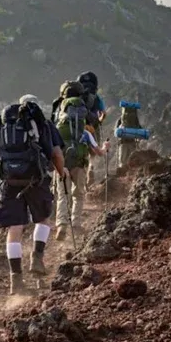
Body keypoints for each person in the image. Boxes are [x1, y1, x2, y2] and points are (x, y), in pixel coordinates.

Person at [0, 95, 66, 295]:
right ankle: (37, 258)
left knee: (14, 229)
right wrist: (61, 172)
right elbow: (56, 154)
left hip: (9, 182)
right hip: (36, 179)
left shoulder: (2, 124)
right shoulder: (43, 124)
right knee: (43, 220)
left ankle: (16, 280)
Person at [53, 81, 109, 241]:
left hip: (62, 164)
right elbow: (98, 152)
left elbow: (52, 148)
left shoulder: (58, 128)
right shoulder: (85, 131)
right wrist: (105, 147)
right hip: (80, 163)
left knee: (63, 195)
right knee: (78, 194)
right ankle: (76, 224)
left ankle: (62, 224)